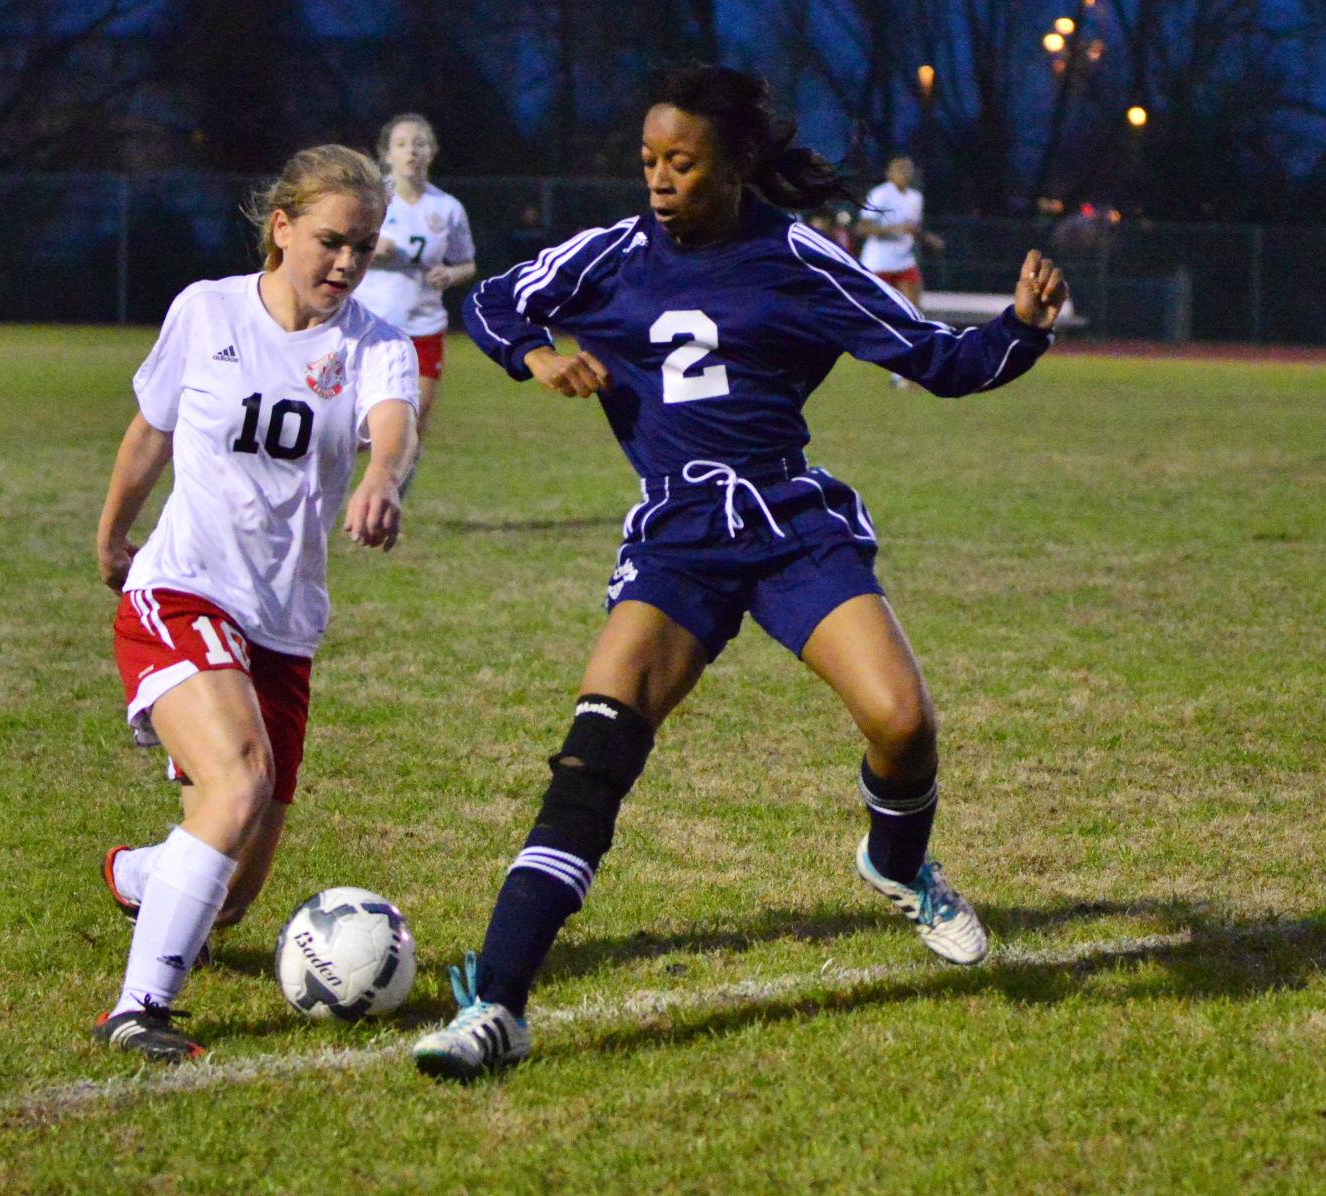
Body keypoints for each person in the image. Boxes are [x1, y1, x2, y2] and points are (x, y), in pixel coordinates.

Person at [413, 64, 1068, 1080]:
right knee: (594, 753)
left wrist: (1021, 328)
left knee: (903, 723)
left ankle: (896, 863)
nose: (658, 179)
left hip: (786, 522)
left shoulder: (802, 260)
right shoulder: (611, 252)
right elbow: (495, 303)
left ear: (736, 163)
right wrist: (535, 355)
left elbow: (938, 360)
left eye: (681, 162)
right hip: (678, 536)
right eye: (648, 160)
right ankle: (496, 1005)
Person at [92, 144, 419, 1062]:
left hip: (285, 624)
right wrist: (113, 534)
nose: (347, 264)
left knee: (232, 893)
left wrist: (382, 477)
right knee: (237, 783)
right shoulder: (207, 310)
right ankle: (138, 1010)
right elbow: (149, 432)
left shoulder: (376, 344)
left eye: (364, 247)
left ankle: (141, 875)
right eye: (331, 241)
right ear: (281, 227)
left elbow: (392, 427)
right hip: (183, 588)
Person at [352, 114, 476, 494]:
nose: (412, 151)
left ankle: (387, 504)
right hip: (370, 325)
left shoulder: (448, 208)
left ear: (431, 152)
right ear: (387, 154)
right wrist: (368, 246)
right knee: (353, 425)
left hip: (423, 326)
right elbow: (340, 246)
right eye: (402, 144)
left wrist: (450, 275)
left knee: (411, 424)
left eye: (420, 143)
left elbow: (467, 263)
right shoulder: (371, 199)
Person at [856, 157, 944, 387]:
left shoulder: (916, 197)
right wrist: (892, 229)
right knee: (879, 317)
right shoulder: (880, 194)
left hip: (904, 261)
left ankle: (906, 372)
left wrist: (928, 238)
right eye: (900, 169)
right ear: (889, 173)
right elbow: (862, 227)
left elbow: (913, 228)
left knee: (914, 315)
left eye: (909, 169)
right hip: (878, 262)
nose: (906, 173)